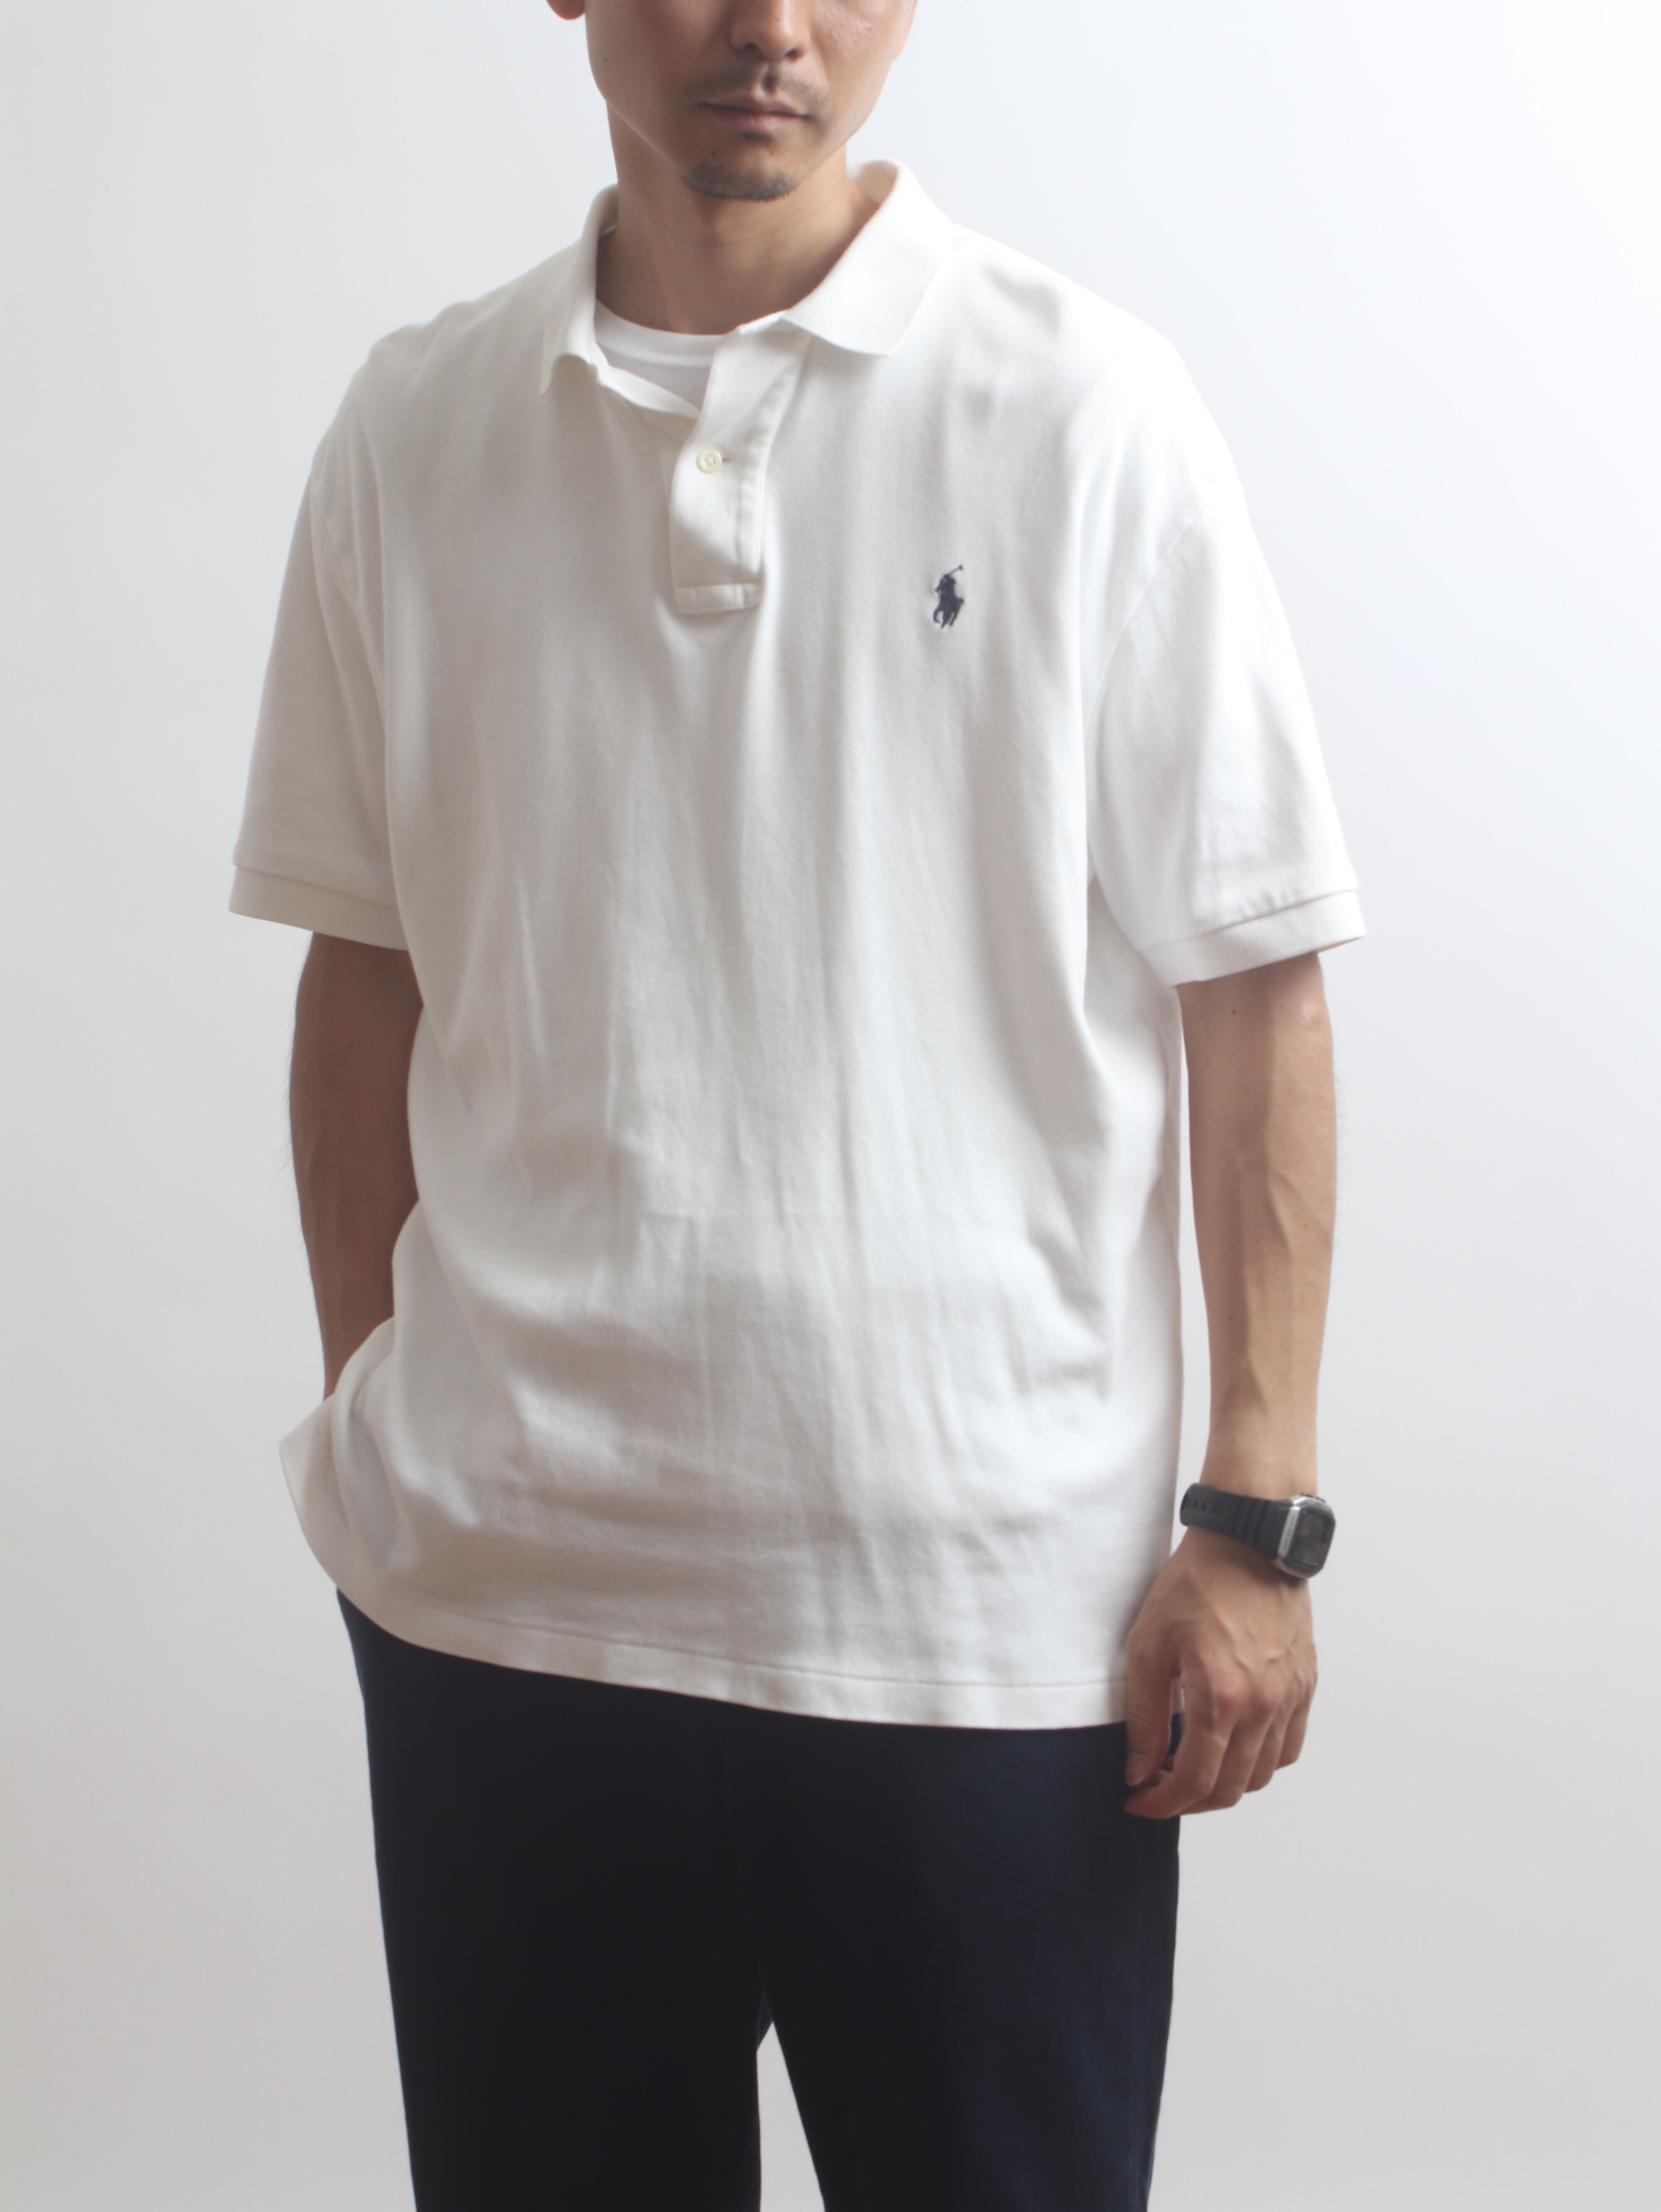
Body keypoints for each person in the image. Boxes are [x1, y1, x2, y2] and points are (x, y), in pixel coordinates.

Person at [231, 3, 1362, 2205]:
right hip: (508, 1618)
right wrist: (382, 1410)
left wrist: (1258, 1518)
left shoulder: (1081, 405)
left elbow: (1255, 985)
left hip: (984, 1633)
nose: (770, 24)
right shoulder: (416, 426)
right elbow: (362, 968)